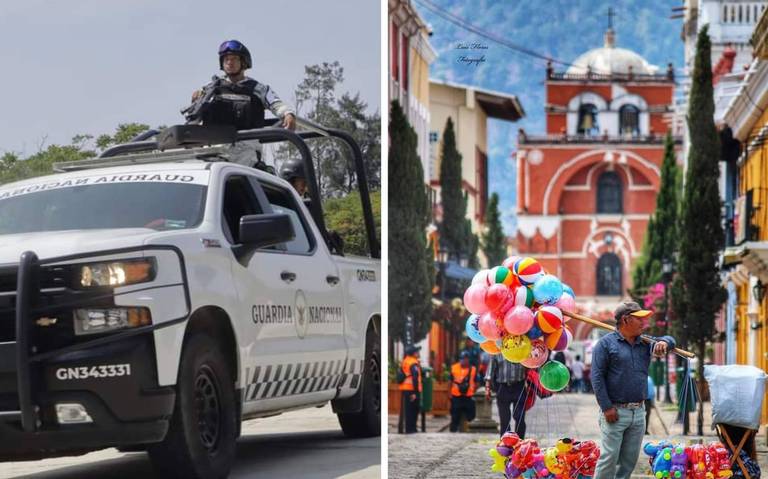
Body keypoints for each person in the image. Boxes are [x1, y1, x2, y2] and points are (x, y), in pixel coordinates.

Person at [591, 301, 676, 479]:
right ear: (626, 320)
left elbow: (671, 341)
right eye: (639, 319)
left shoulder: (645, 343)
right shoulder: (605, 345)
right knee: (609, 458)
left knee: (629, 461)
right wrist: (606, 407)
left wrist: (663, 342)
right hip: (614, 412)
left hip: (638, 412)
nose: (644, 323)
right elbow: (597, 378)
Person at [191, 40, 296, 131]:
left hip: (246, 146)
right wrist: (195, 101)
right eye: (226, 59)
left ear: (244, 62)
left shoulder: (258, 88)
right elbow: (195, 116)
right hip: (214, 146)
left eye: (234, 58)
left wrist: (288, 114)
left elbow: (276, 103)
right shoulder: (211, 88)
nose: (229, 62)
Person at [485, 352, 528, 438]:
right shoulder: (497, 351)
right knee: (504, 419)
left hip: (519, 386)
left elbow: (531, 365)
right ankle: (506, 444)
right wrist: (487, 387)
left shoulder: (523, 348)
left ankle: (519, 442)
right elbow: (490, 371)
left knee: (519, 417)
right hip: (502, 387)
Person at [449, 351, 477, 432]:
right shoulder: (454, 368)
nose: (463, 361)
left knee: (471, 416)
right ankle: (453, 431)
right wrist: (449, 394)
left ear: (468, 360)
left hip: (469, 396)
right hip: (456, 395)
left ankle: (471, 431)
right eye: (462, 359)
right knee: (455, 416)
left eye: (465, 359)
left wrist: (474, 392)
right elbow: (450, 381)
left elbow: (477, 382)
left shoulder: (473, 369)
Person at [399, 345, 422, 434]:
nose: (418, 353)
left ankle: (410, 429)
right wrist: (414, 392)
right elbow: (415, 377)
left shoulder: (405, 361)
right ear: (413, 353)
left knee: (408, 410)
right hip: (412, 390)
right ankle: (412, 429)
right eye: (417, 352)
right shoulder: (413, 363)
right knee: (413, 410)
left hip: (406, 389)